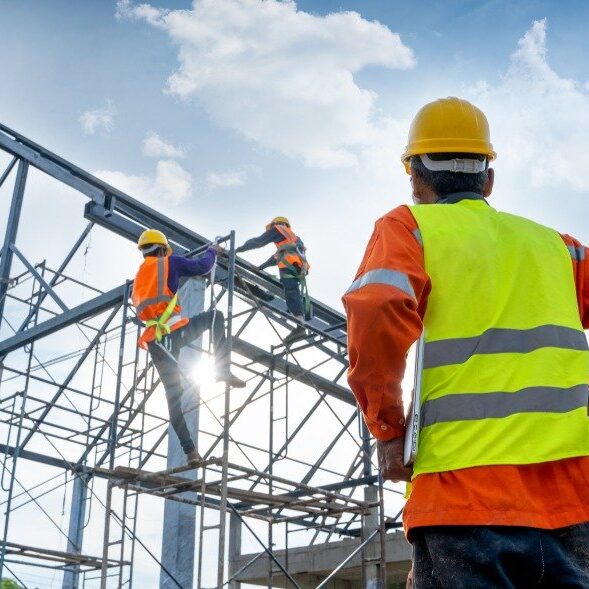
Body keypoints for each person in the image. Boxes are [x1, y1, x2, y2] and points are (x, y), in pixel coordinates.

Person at [343, 97, 589, 587]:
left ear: (414, 175)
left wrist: (388, 429)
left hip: (462, 498)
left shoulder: (409, 227)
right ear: (489, 179)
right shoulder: (558, 247)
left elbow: (376, 307)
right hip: (573, 501)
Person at [132, 229, 246, 463]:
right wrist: (212, 251)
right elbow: (201, 267)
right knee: (216, 317)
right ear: (163, 248)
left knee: (173, 397)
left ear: (144, 252)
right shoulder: (169, 262)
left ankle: (191, 452)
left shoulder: (140, 276)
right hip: (173, 330)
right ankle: (221, 370)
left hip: (154, 340)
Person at [236, 217, 310, 343]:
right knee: (291, 291)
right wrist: (261, 268)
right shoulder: (292, 239)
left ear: (276, 224)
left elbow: (258, 241)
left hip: (289, 266)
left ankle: (300, 325)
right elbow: (275, 258)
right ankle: (299, 324)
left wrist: (238, 249)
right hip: (297, 267)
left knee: (291, 292)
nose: (270, 232)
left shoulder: (279, 229)